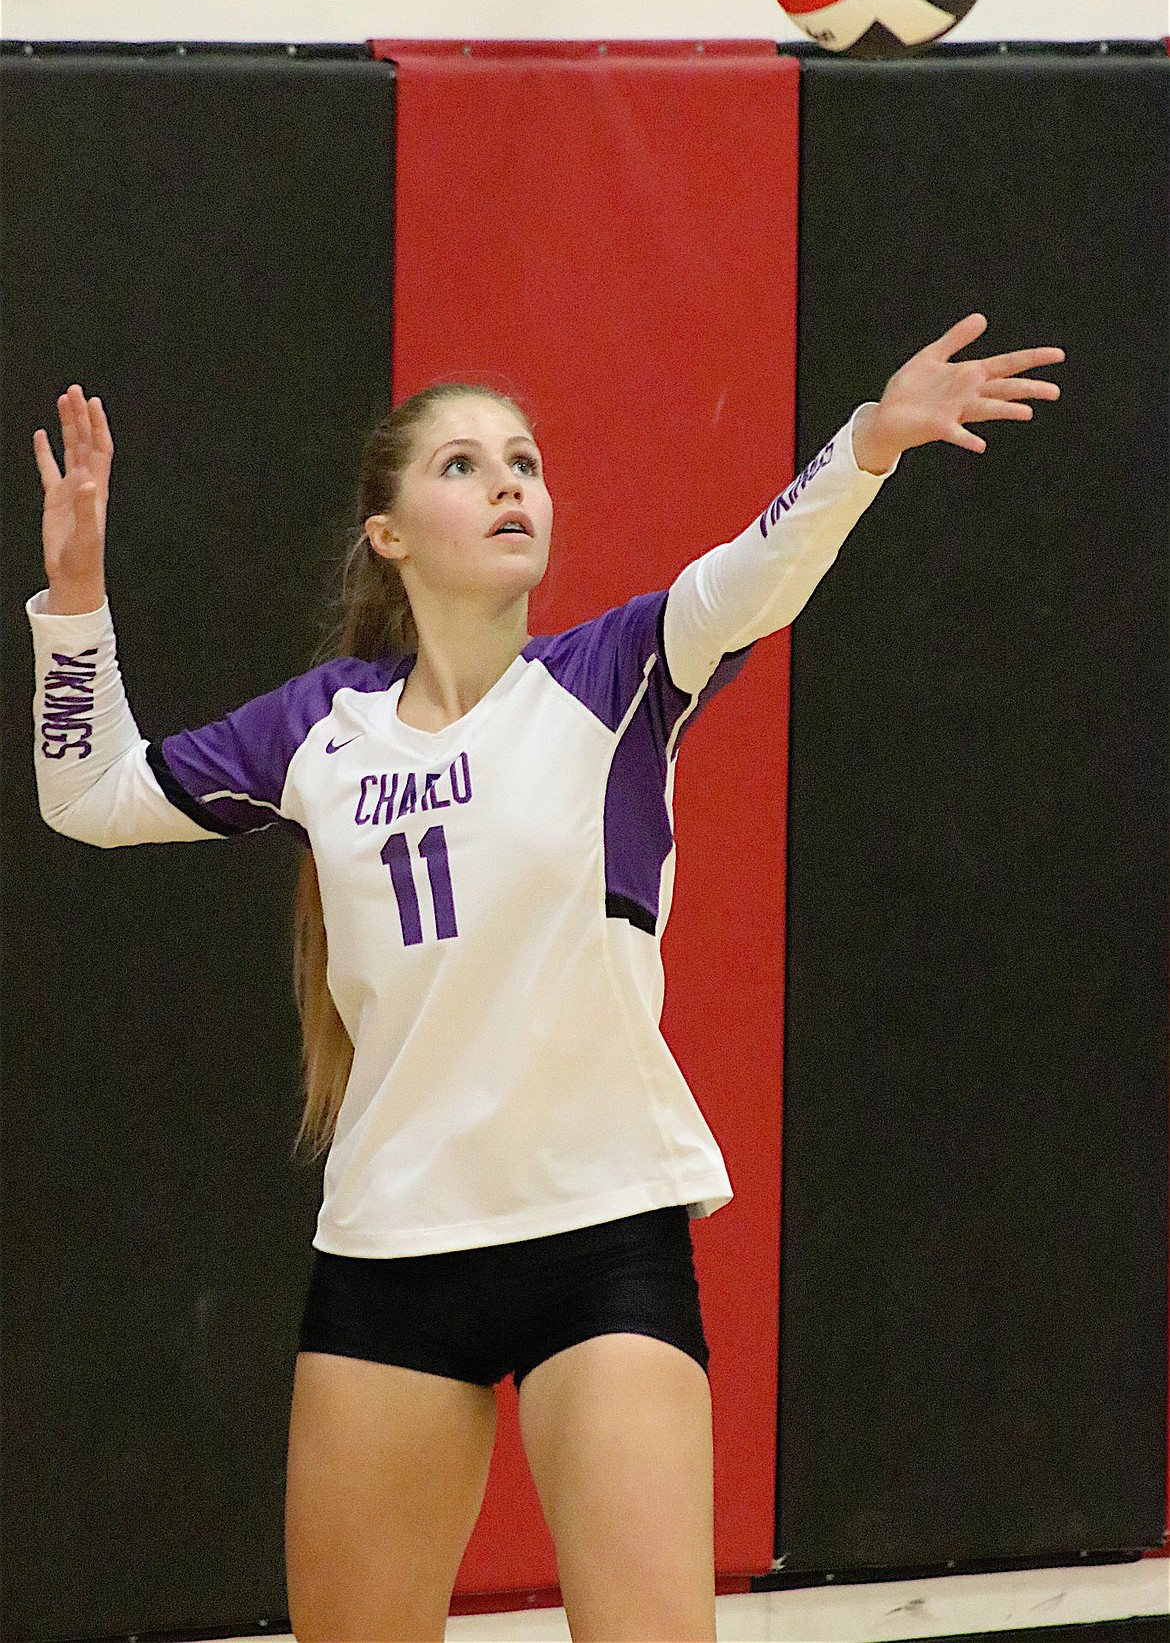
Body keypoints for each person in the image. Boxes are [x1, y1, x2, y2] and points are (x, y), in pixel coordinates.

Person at [28, 311, 1063, 1643]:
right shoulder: (317, 731)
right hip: (390, 1253)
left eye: (522, 459)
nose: (509, 481)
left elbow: (756, 573)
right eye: (461, 465)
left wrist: (868, 441)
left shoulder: (613, 677)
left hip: (602, 1239)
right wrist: (73, 602)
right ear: (388, 535)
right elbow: (94, 795)